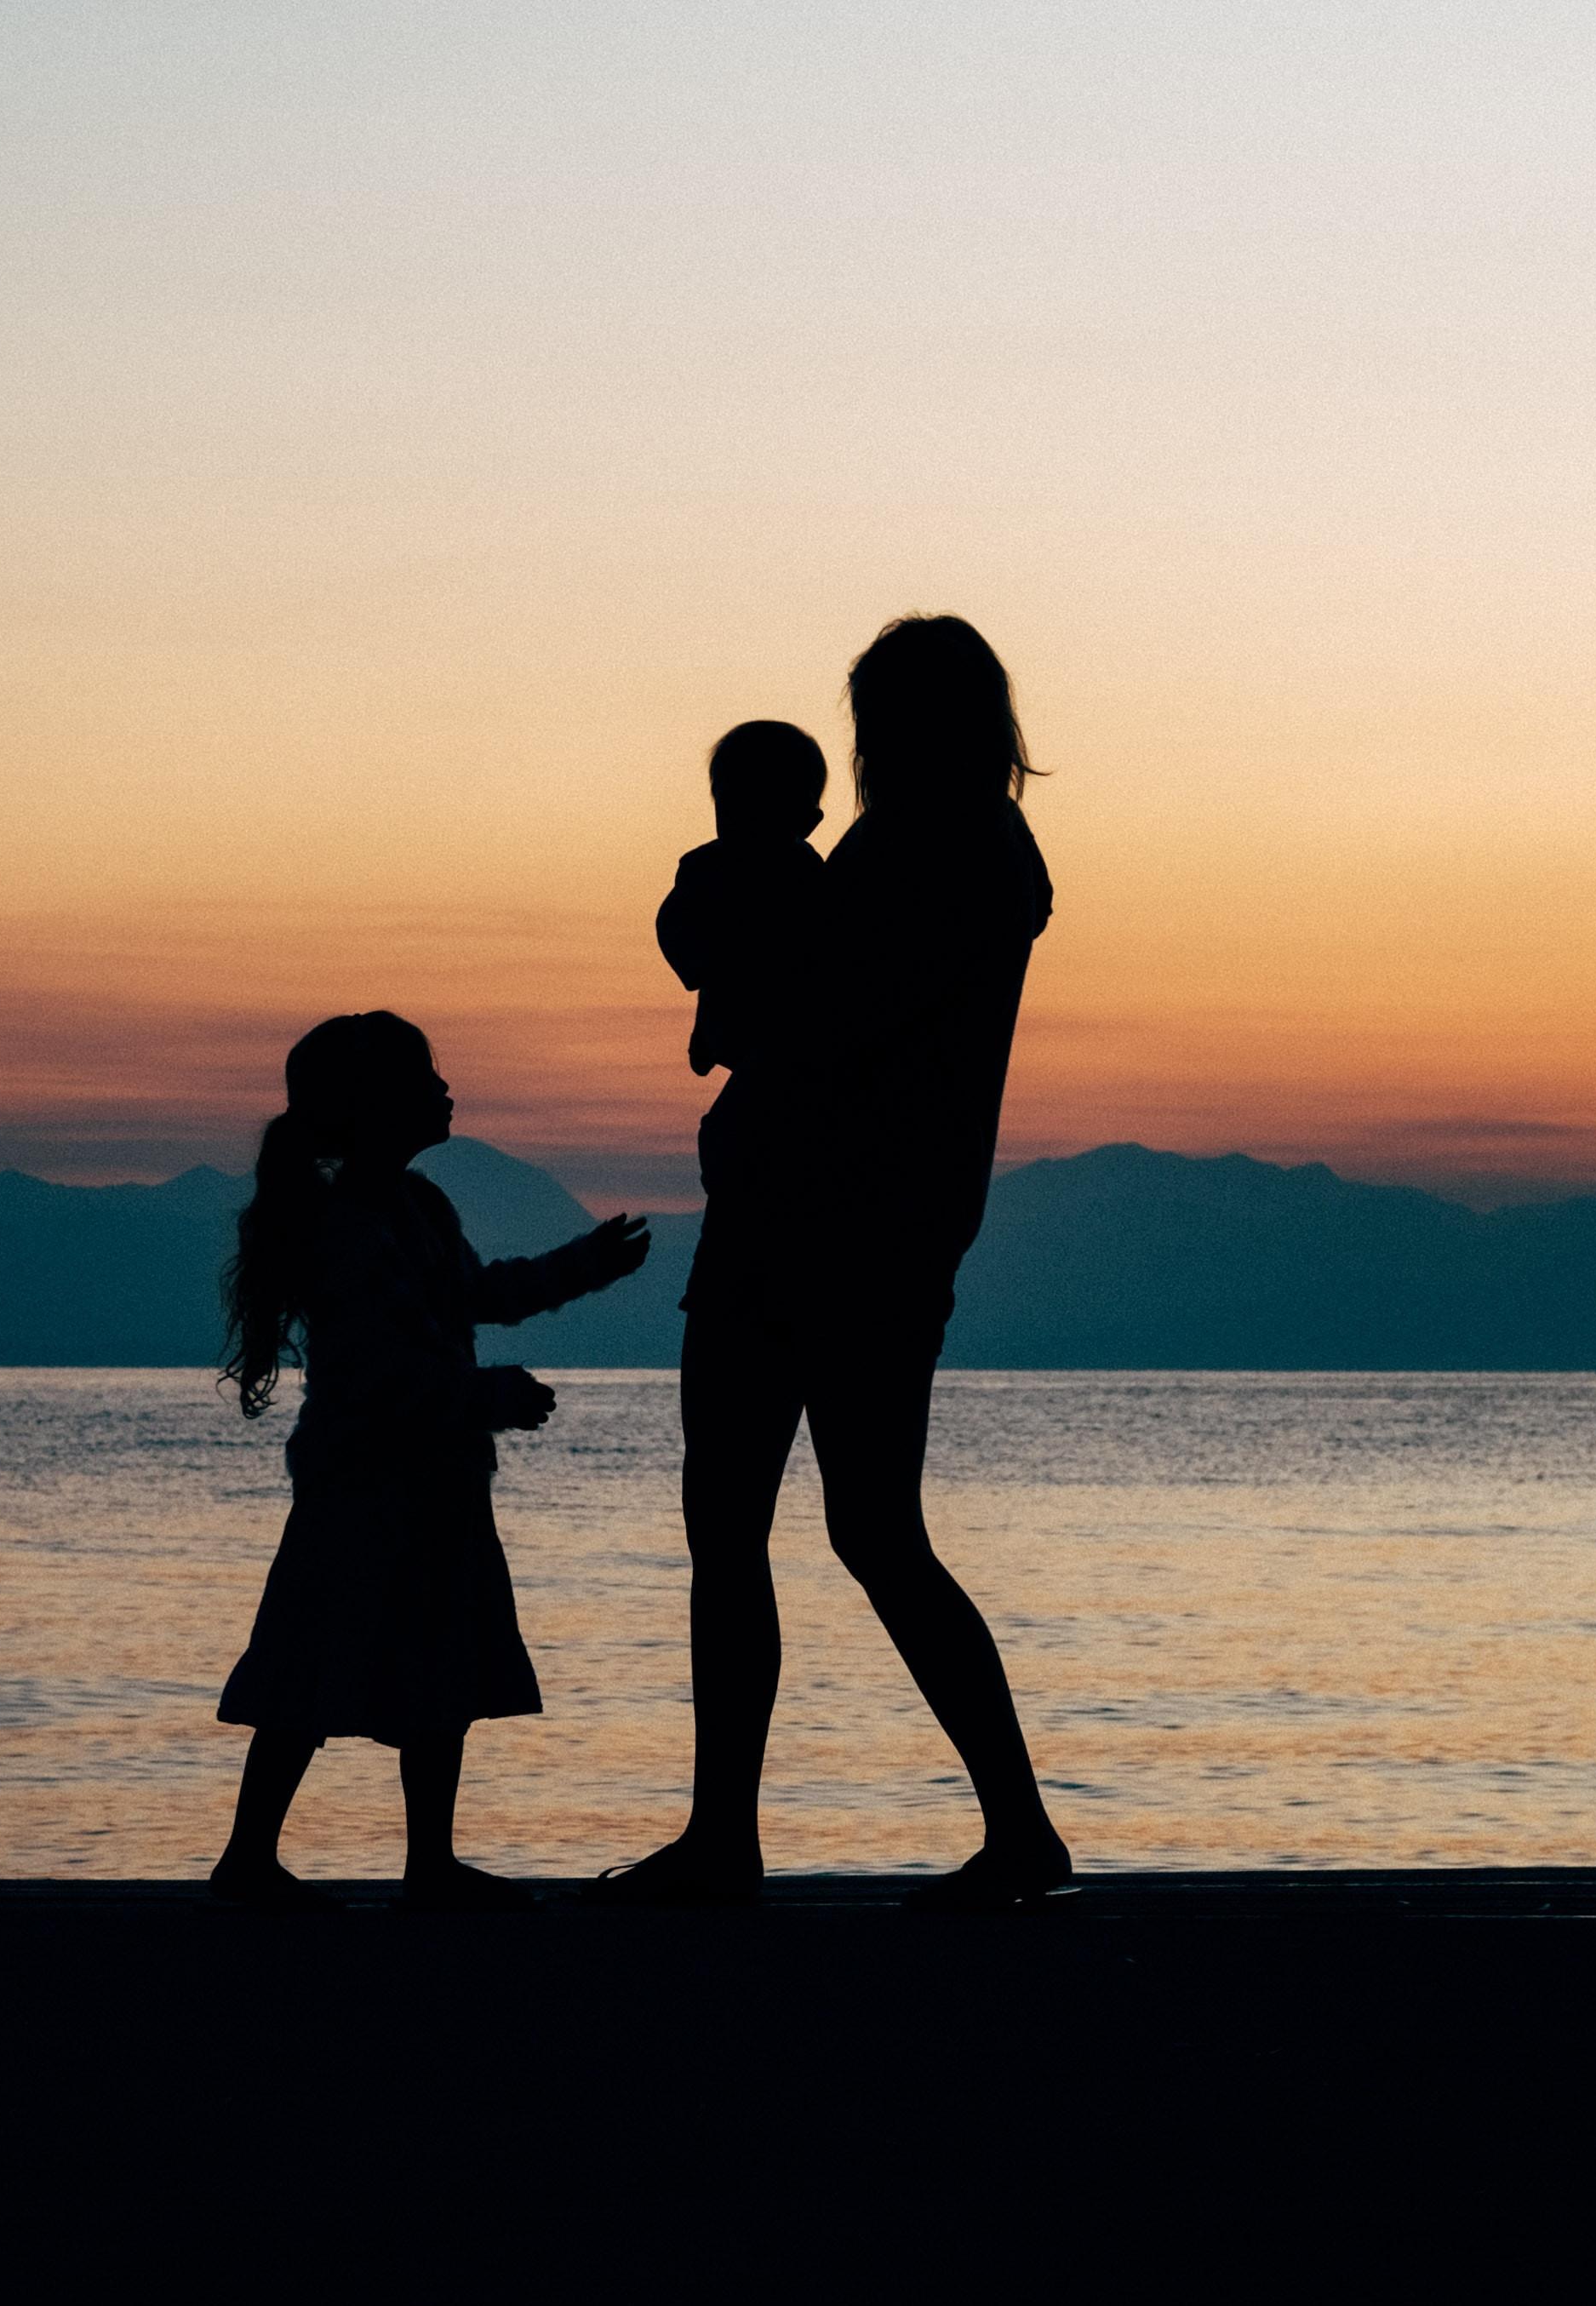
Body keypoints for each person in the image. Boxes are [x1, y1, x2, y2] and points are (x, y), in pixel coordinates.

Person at [595, 614, 1073, 1910]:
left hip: (850, 1229)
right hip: (818, 1222)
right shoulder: (908, 843)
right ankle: (730, 1836)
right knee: (769, 1527)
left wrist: (738, 983)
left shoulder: (958, 850)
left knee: (841, 1529)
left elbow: (827, 1014)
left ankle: (989, 1830)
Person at [213, 1010, 650, 1909]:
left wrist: (583, 1265)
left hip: (436, 1483)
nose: (446, 1090)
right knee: (310, 1667)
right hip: (363, 1487)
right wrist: (483, 1398)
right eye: (425, 1077)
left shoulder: (416, 1208)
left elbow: (476, 1294)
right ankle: (250, 1857)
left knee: (434, 1667)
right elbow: (378, 1375)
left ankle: (429, 1861)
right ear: (374, 1105)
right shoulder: (346, 1230)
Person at [656, 720, 830, 1082]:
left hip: (782, 1026)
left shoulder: (805, 874)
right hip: (743, 1015)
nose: (745, 823)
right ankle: (707, 1034)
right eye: (731, 807)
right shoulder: (705, 867)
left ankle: (711, 1035)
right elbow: (674, 924)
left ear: (807, 822)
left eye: (762, 810)